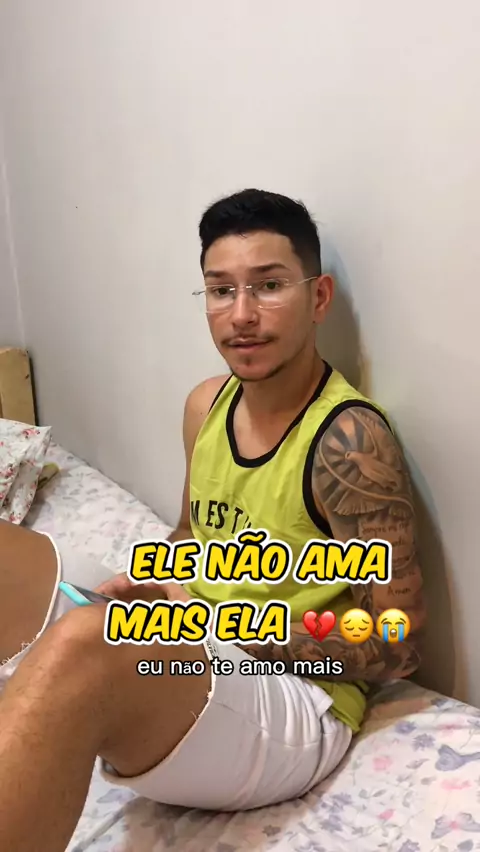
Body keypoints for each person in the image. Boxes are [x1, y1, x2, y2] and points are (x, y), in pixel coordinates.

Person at [0, 189, 426, 852]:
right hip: (201, 652)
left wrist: (220, 629)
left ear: (318, 298)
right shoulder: (207, 406)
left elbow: (400, 644)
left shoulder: (348, 442)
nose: (242, 315)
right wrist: (157, 586)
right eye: (222, 291)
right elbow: (192, 535)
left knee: (86, 642)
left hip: (298, 698)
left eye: (269, 286)